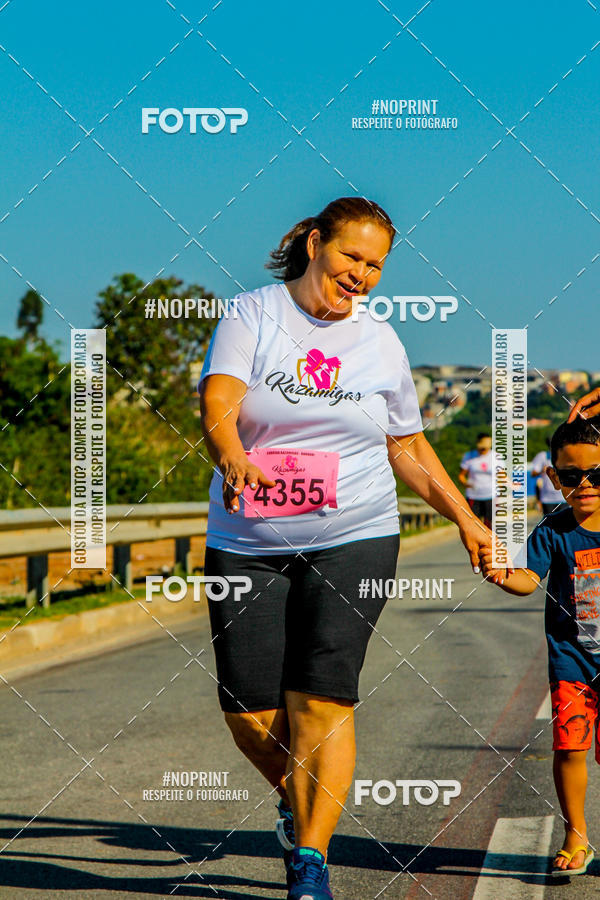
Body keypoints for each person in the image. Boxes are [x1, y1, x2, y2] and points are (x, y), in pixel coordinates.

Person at [198, 196, 493, 900]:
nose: (361, 273)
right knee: (247, 712)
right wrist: (233, 454)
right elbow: (217, 403)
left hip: (355, 533)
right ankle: (297, 800)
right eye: (351, 256)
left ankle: (310, 860)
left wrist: (465, 519)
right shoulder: (254, 314)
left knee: (322, 703)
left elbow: (408, 447)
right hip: (247, 538)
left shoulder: (380, 342)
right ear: (313, 244)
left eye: (376, 265)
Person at [481, 414, 600, 876]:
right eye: (571, 476)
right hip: (572, 661)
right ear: (553, 477)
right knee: (570, 749)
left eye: (596, 474)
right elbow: (529, 581)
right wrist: (498, 570)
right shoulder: (553, 528)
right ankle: (577, 834)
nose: (585, 484)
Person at [459, 434, 495, 528]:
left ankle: (488, 542)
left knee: (488, 525)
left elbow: (501, 475)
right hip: (473, 496)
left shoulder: (496, 457)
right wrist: (465, 483)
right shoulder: (469, 456)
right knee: (474, 525)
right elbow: (461, 475)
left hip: (490, 495)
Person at [531, 437, 566, 517]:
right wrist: (541, 471)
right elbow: (533, 473)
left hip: (563, 498)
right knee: (550, 525)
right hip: (547, 499)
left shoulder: (565, 455)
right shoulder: (542, 456)